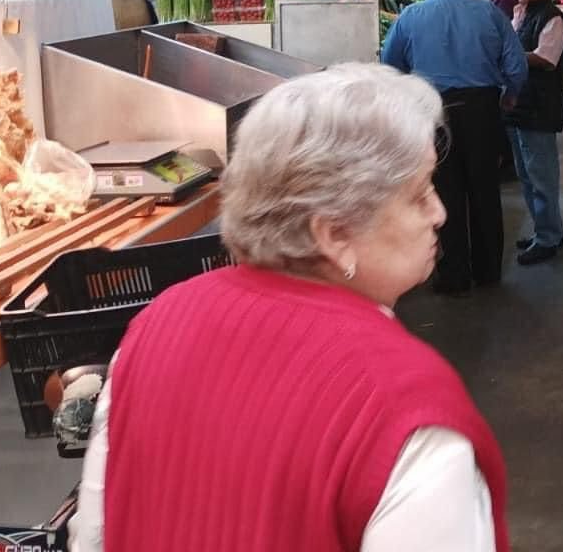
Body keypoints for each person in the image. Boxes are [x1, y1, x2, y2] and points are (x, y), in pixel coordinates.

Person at [68, 64, 509, 552]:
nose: (439, 213)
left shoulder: (155, 326)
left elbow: (92, 535)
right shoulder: (401, 408)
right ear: (335, 232)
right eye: (419, 193)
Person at [382, 0, 527, 295]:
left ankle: (453, 274)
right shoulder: (489, 12)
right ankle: (488, 270)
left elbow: (390, 67)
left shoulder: (411, 15)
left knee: (443, 194)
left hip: (433, 113)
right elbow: (516, 65)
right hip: (482, 109)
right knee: (485, 190)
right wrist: (509, 95)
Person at [505, 0, 563, 266]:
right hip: (519, 105)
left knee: (541, 176)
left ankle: (548, 238)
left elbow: (545, 58)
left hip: (539, 107)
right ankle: (545, 230)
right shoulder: (522, 13)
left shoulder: (553, 18)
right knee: (526, 176)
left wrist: (506, 55)